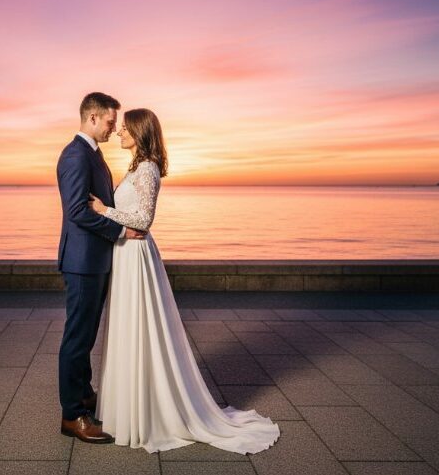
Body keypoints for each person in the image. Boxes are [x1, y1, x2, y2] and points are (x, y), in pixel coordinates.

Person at [88, 108, 281, 454]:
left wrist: (104, 211)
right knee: (128, 328)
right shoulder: (135, 167)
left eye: (125, 129)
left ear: (139, 131)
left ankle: (147, 412)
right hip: (125, 254)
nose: (119, 133)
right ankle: (129, 408)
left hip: (137, 255)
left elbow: (144, 220)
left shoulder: (147, 170)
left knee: (140, 328)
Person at [56, 92, 146, 444]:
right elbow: (77, 211)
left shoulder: (92, 153)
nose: (113, 128)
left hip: (95, 259)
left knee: (87, 334)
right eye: (110, 122)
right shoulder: (75, 155)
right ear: (92, 118)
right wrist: (122, 230)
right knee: (77, 337)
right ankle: (71, 415)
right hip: (82, 262)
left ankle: (84, 395)